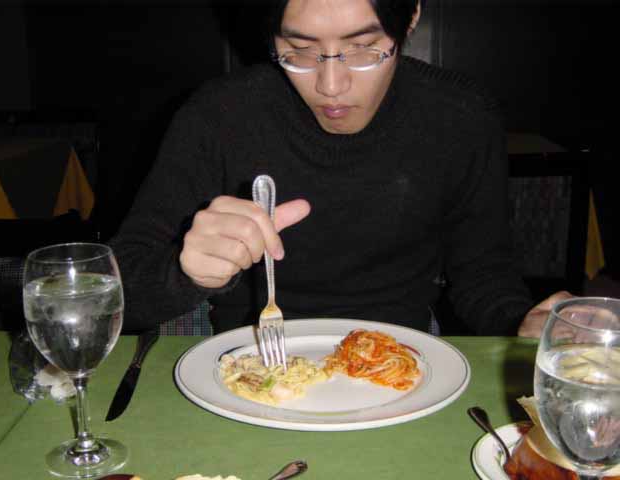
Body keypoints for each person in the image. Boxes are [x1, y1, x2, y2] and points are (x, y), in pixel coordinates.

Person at [110, 0, 570, 337]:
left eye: (364, 47)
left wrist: (523, 323)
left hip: (402, 359)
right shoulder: (219, 116)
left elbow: (484, 274)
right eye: (299, 49)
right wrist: (184, 273)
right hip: (248, 360)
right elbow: (117, 294)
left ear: (411, 16)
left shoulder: (461, 116)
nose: (331, 85)